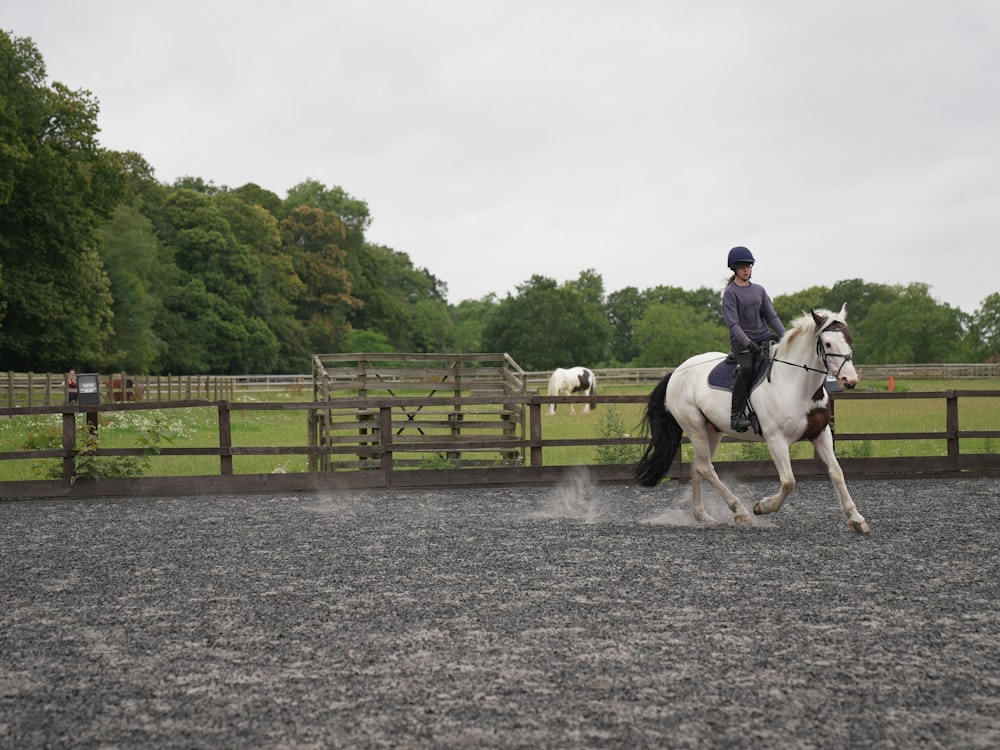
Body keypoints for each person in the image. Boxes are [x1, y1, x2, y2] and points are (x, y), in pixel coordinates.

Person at [722, 246, 786, 432]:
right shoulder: (730, 293)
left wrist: (785, 336)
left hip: (763, 336)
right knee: (748, 368)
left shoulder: (759, 290)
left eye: (749, 266)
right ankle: (736, 415)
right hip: (742, 342)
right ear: (734, 269)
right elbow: (733, 325)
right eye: (742, 267)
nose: (746, 270)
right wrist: (748, 344)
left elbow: (771, 317)